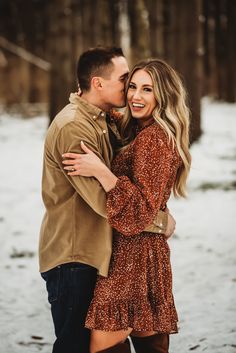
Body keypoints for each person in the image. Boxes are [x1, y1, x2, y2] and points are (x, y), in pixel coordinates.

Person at [39, 47, 176, 353]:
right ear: (98, 84)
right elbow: (104, 200)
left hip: (103, 253)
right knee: (75, 347)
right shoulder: (75, 126)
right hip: (76, 257)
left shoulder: (103, 120)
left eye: (142, 87)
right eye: (126, 81)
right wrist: (161, 220)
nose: (130, 92)